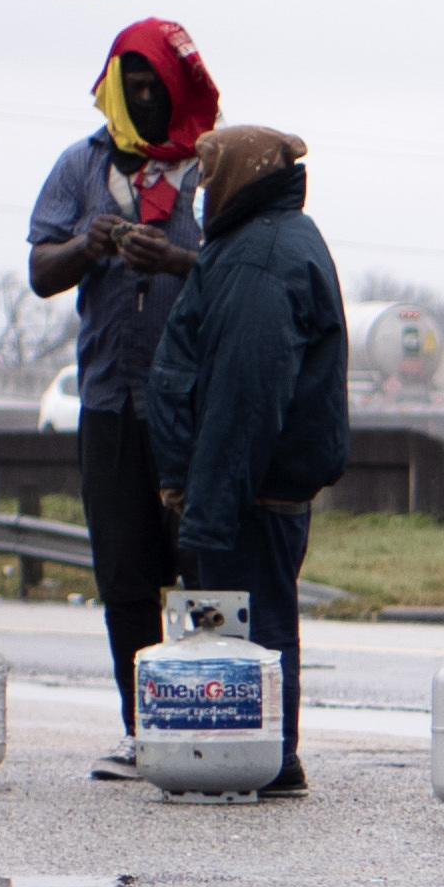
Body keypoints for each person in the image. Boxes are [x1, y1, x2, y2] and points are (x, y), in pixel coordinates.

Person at [29, 15, 217, 774]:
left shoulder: (213, 167)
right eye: (129, 87)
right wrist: (89, 245)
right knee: (126, 575)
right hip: (109, 404)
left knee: (204, 566)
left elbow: (245, 269)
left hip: (195, 408)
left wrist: (175, 260)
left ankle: (210, 717)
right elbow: (43, 270)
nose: (140, 100)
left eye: (154, 88)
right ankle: (144, 727)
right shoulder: (82, 167)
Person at [146, 124, 348, 801]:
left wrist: (204, 513)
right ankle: (266, 755)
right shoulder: (264, 241)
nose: (200, 191)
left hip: (246, 496)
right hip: (259, 492)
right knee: (265, 623)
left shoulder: (258, 256)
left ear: (238, 177)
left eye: (208, 177)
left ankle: (260, 758)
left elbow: (244, 396)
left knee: (250, 630)